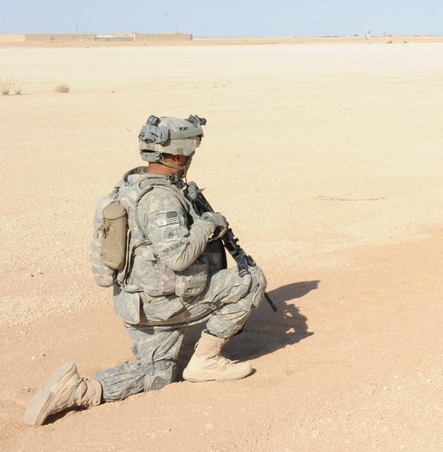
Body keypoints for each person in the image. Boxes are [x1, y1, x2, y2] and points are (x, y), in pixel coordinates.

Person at [24, 115, 268, 426]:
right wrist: (206, 226)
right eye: (190, 151)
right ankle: (206, 361)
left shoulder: (130, 185)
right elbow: (178, 258)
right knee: (250, 280)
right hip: (162, 303)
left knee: (157, 374)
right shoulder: (161, 198)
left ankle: (79, 390)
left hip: (138, 302)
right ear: (178, 156)